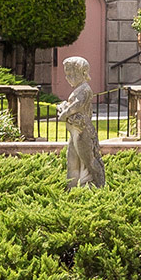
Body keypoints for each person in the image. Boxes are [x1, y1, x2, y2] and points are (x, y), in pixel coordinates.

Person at [56, 55, 104, 188]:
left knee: (88, 161)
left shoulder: (85, 89)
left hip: (83, 132)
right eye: (66, 74)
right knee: (71, 160)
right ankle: (70, 188)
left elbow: (77, 106)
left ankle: (96, 185)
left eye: (70, 74)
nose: (67, 78)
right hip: (75, 131)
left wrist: (64, 113)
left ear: (81, 73)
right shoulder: (79, 89)